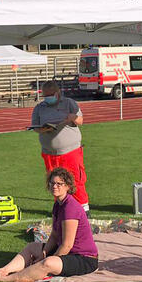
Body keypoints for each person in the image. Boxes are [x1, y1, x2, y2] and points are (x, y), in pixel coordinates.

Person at [0, 167, 98, 282]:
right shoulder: (58, 205)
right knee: (32, 247)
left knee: (48, 263)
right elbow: (55, 235)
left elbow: (67, 245)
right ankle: (3, 271)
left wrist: (46, 259)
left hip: (84, 259)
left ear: (67, 186)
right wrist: (45, 252)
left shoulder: (70, 207)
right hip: (67, 252)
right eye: (52, 183)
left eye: (59, 184)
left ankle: (4, 278)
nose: (54, 186)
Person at [30, 81, 90, 214]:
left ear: (58, 93)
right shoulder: (39, 108)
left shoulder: (69, 103)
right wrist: (43, 129)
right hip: (49, 153)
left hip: (71, 151)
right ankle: (61, 208)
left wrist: (73, 117)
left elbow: (81, 120)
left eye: (51, 95)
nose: (48, 97)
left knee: (76, 180)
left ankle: (83, 210)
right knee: (55, 182)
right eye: (45, 95)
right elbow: (35, 127)